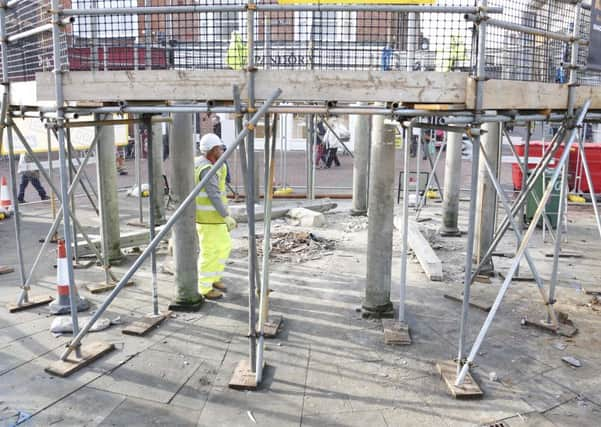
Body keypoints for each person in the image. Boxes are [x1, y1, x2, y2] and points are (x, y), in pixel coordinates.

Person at [195, 133, 237, 300]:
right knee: (210, 252)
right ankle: (204, 288)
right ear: (212, 150)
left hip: (214, 219)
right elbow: (213, 194)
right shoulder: (206, 169)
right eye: (219, 148)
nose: (222, 150)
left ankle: (214, 278)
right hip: (208, 220)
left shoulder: (210, 164)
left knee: (224, 247)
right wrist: (226, 216)